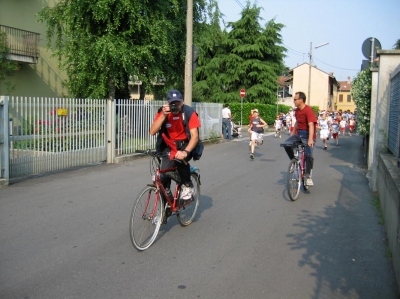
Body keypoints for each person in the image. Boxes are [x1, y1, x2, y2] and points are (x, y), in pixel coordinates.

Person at [150, 89, 201, 200]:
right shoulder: (163, 112)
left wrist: (185, 151)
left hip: (185, 145)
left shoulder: (189, 112)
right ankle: (165, 209)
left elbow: (195, 136)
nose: (175, 106)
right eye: (172, 103)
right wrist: (163, 115)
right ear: (168, 103)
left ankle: (187, 184)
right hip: (169, 146)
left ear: (182, 102)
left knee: (179, 159)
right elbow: (152, 131)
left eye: (178, 103)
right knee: (163, 177)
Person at [282, 91, 317, 186]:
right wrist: (292, 134)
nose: (294, 101)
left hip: (308, 134)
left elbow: (311, 125)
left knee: (309, 155)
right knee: (286, 144)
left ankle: (308, 176)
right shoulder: (297, 111)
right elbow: (297, 123)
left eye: (295, 99)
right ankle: (294, 162)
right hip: (299, 134)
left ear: (301, 100)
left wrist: (310, 139)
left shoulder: (308, 110)